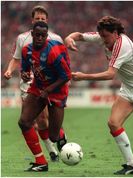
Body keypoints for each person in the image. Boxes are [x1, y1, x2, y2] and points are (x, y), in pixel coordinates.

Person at [64, 16, 133, 175]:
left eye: (106, 37)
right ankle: (131, 165)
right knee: (114, 123)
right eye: (101, 36)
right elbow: (79, 36)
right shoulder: (103, 37)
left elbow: (110, 74)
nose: (103, 40)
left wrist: (83, 76)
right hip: (129, 89)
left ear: (115, 33)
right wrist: (69, 38)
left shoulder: (123, 45)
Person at [3, 5, 66, 162]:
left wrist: (58, 87)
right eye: (37, 18)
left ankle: (59, 137)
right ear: (32, 21)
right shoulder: (22, 39)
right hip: (30, 84)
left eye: (42, 19)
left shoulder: (56, 39)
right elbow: (17, 59)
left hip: (49, 85)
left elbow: (63, 68)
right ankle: (51, 152)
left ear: (47, 21)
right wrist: (10, 70)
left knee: (44, 120)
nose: (39, 21)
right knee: (34, 120)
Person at [18, 21, 71, 172]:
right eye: (37, 35)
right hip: (38, 88)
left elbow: (66, 76)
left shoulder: (53, 52)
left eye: (43, 35)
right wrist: (25, 74)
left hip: (57, 91)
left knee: (53, 137)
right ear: (32, 34)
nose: (40, 38)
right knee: (24, 122)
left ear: (47, 36)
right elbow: (25, 68)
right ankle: (40, 161)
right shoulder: (26, 50)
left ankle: (60, 134)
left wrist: (48, 90)